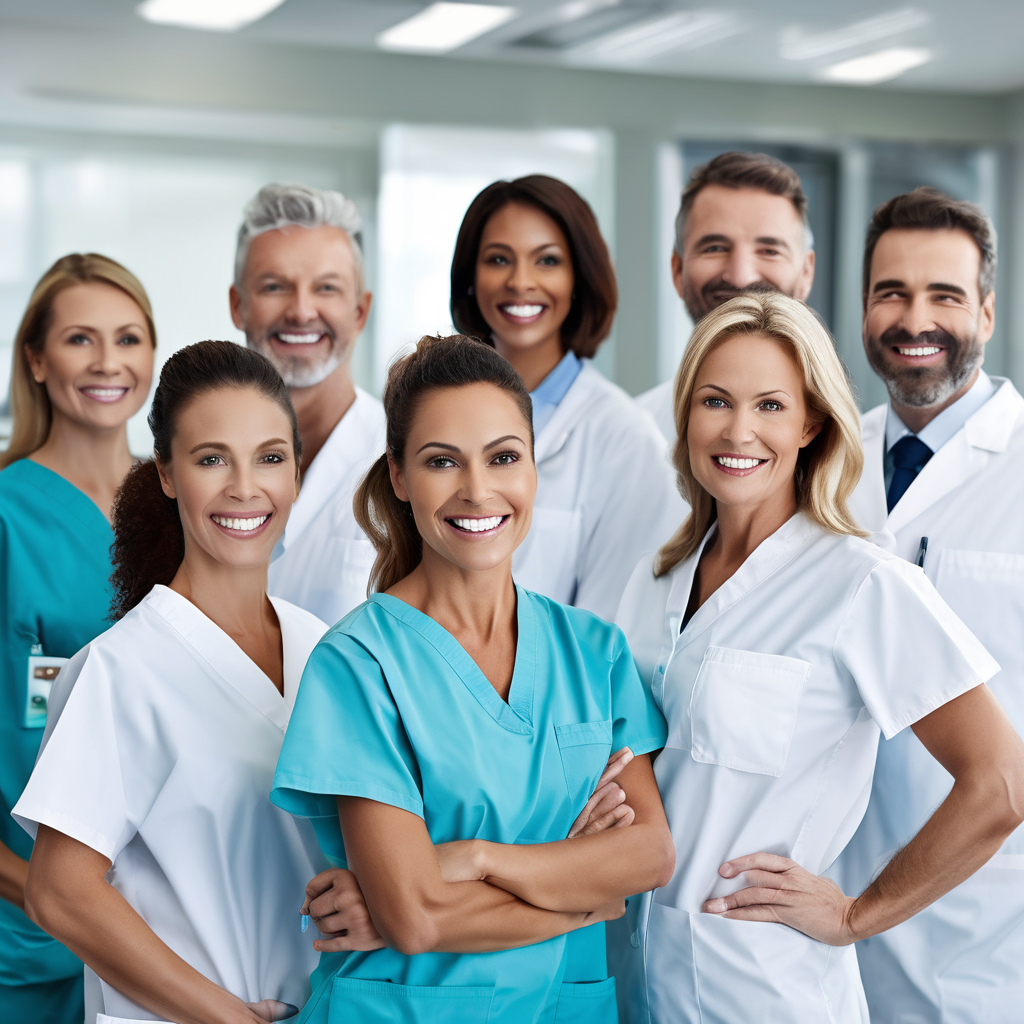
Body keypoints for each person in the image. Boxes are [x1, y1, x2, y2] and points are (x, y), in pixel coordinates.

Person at [611, 292, 1024, 1024]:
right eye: (715, 400)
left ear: (812, 424)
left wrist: (857, 915)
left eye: (771, 405)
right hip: (635, 985)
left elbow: (1001, 783)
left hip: (769, 995)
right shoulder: (651, 583)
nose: (739, 430)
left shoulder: (862, 583)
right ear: (685, 415)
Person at [271, 334, 675, 1024]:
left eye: (504, 457)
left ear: (533, 468)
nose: (478, 490)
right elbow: (417, 917)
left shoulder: (593, 653)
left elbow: (647, 856)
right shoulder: (360, 665)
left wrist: (479, 858)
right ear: (398, 476)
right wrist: (585, 894)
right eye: (441, 462)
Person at [14, 341, 329, 1024]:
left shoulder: (324, 650)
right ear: (165, 472)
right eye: (212, 459)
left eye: (270, 458)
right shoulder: (120, 670)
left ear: (298, 474)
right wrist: (230, 1017)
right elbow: (60, 893)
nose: (245, 487)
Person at [836, 188, 1024, 1023]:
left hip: (986, 927)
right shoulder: (825, 461)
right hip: (831, 910)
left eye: (945, 295)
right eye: (892, 293)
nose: (917, 319)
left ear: (986, 308)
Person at [0, 253, 156, 1023]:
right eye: (79, 340)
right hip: (23, 931)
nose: (108, 363)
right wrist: (33, 889)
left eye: (129, 339)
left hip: (161, 922)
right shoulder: (6, 514)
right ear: (35, 358)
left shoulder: (183, 506)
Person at [450, 174, 682, 621]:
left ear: (579, 278)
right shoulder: (436, 414)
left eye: (547, 261)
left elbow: (606, 633)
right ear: (470, 279)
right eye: (499, 259)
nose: (520, 282)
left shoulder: (625, 440)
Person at [230, 183, 385, 625]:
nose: (301, 311)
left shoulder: (402, 459)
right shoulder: (198, 461)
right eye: (275, 286)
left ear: (360, 311)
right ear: (238, 305)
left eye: (326, 288)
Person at [636, 151, 816, 443]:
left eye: (769, 251)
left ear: (806, 272)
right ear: (678, 270)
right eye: (715, 248)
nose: (741, 277)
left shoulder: (859, 450)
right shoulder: (631, 435)